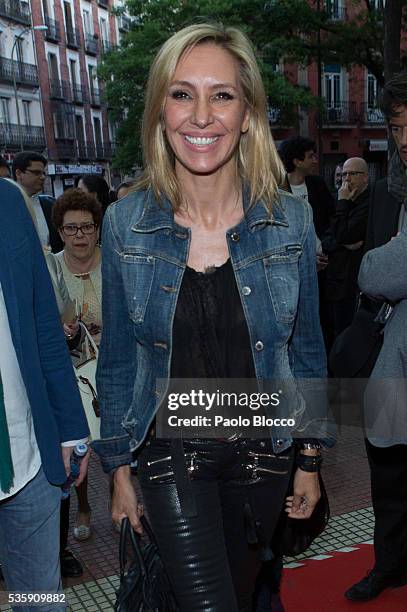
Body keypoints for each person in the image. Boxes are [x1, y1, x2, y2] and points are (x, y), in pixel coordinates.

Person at [93, 22, 329, 612]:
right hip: (173, 452)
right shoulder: (126, 225)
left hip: (263, 453)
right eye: (182, 93)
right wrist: (119, 470)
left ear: (247, 113)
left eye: (221, 95)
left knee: (247, 594)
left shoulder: (289, 222)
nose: (202, 115)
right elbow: (120, 358)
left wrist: (309, 460)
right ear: (160, 112)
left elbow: (306, 355)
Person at [0, 179, 89, 610]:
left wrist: (72, 427)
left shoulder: (7, 200)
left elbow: (43, 324)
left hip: (28, 459)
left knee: (40, 602)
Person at [344, 71, 407, 601]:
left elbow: (386, 269)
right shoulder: (391, 188)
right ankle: (389, 565)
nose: (404, 138)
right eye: (397, 125)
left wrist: (382, 260)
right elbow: (374, 273)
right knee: (387, 476)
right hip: (394, 360)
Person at [46, 189, 102, 572]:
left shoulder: (114, 262)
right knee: (78, 444)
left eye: (86, 227)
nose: (79, 235)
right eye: (71, 228)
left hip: (114, 364)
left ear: (98, 230)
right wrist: (61, 329)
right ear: (60, 232)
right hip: (73, 371)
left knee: (120, 442)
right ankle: (83, 508)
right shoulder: (50, 267)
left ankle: (122, 499)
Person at [324, 157, 370, 341]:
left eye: (352, 174)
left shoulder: (367, 203)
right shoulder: (342, 200)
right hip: (336, 283)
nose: (346, 179)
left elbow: (343, 235)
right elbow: (326, 239)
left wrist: (343, 203)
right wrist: (341, 243)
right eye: (343, 174)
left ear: (365, 177)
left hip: (354, 284)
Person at [12, 152, 63, 253]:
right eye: (36, 173)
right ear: (18, 173)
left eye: (43, 173)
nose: (43, 177)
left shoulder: (50, 205)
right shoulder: (6, 207)